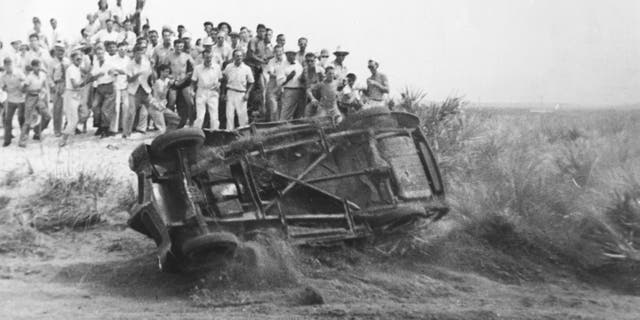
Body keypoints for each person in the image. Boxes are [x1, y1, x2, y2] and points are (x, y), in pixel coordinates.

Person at [60, 51, 99, 147]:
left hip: (77, 94)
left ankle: (69, 134)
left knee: (84, 114)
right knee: (73, 120)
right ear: (72, 59)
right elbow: (75, 85)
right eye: (77, 59)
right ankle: (63, 140)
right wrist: (89, 80)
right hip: (71, 94)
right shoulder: (71, 69)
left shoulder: (77, 68)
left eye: (80, 59)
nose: (79, 61)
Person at [123, 45, 153, 137]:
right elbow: (129, 80)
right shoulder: (129, 65)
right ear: (134, 54)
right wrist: (138, 74)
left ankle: (162, 130)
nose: (139, 56)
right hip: (134, 91)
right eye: (137, 53)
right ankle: (126, 133)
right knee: (131, 112)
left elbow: (150, 76)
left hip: (145, 89)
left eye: (141, 53)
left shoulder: (146, 62)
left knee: (155, 109)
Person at [19, 59, 51, 147]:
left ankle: (37, 131)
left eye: (39, 65)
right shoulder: (29, 77)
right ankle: (22, 140)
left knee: (47, 116)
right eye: (36, 66)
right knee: (28, 120)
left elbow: (44, 85)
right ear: (33, 67)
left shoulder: (42, 75)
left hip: (39, 98)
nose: (38, 67)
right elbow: (23, 89)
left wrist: (43, 92)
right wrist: (33, 90)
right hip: (30, 97)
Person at [222, 49, 253, 130]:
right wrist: (223, 93)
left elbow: (251, 82)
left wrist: (247, 93)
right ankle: (229, 134)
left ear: (242, 57)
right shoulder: (228, 67)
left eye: (240, 56)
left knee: (242, 116)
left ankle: (244, 134)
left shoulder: (247, 68)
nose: (239, 57)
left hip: (241, 94)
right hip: (230, 92)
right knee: (229, 115)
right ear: (233, 57)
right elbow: (224, 80)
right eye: (237, 56)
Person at [90, 45, 117, 137]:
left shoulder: (110, 62)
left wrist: (113, 73)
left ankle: (105, 129)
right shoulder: (96, 63)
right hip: (99, 87)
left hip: (109, 86)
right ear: (96, 55)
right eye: (98, 53)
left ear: (104, 53)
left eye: (101, 53)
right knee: (95, 106)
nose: (100, 55)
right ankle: (99, 126)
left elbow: (114, 72)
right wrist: (98, 75)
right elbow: (93, 76)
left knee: (106, 109)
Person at [192, 50, 222, 130]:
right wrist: (192, 91)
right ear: (203, 58)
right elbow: (193, 81)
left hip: (213, 92)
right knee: (200, 116)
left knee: (214, 116)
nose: (208, 59)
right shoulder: (197, 68)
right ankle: (196, 133)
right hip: (201, 92)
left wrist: (218, 85)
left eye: (210, 57)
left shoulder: (217, 67)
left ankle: (214, 134)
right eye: (206, 57)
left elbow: (220, 79)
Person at [168, 38, 195, 127]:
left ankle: (191, 122)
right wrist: (169, 78)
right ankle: (171, 122)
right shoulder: (169, 56)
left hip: (184, 82)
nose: (179, 48)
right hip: (174, 82)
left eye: (181, 46)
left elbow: (194, 68)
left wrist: (188, 76)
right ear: (174, 46)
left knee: (190, 102)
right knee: (171, 102)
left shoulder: (187, 56)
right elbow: (164, 68)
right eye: (177, 46)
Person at [1, 57, 26, 147]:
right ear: (4, 66)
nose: (8, 67)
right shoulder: (3, 76)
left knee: (21, 119)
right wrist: (5, 88)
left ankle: (23, 139)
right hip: (10, 99)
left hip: (21, 99)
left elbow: (25, 82)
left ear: (12, 64)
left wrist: (22, 86)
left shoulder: (18, 72)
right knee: (8, 120)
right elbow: (3, 87)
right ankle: (7, 140)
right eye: (6, 65)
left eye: (10, 64)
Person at [149, 64, 180, 132]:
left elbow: (177, 84)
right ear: (161, 72)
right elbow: (162, 96)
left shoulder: (167, 80)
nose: (167, 73)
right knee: (162, 128)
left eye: (168, 72)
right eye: (166, 72)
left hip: (162, 107)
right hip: (155, 107)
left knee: (176, 119)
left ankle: (168, 134)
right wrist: (167, 87)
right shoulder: (158, 82)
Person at [49, 42, 70, 137]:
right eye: (59, 50)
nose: (61, 52)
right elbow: (49, 76)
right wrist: (52, 86)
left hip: (67, 84)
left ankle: (68, 127)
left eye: (62, 50)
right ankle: (57, 130)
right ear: (55, 51)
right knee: (57, 109)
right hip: (57, 84)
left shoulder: (67, 61)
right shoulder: (52, 62)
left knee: (69, 108)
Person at [110, 42, 131, 133]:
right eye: (121, 49)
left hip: (126, 85)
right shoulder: (113, 59)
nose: (123, 51)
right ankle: (113, 129)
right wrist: (120, 71)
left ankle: (124, 127)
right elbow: (112, 71)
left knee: (126, 107)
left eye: (125, 50)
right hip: (116, 84)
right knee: (116, 107)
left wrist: (122, 71)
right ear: (118, 49)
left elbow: (129, 72)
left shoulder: (128, 59)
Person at [279, 47, 304, 120]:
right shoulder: (282, 65)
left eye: (293, 54)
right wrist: (289, 77)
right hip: (289, 90)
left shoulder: (298, 65)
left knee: (298, 113)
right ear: (286, 55)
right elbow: (280, 82)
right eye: (289, 54)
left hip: (300, 90)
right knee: (286, 112)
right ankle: (281, 127)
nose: (291, 56)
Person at [264, 44, 286, 121]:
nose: (278, 53)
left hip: (284, 86)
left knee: (283, 107)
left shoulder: (286, 61)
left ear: (283, 52)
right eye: (276, 51)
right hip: (273, 87)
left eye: (280, 51)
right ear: (274, 52)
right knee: (273, 108)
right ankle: (273, 125)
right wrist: (281, 75)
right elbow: (271, 73)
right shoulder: (271, 61)